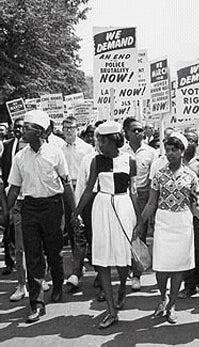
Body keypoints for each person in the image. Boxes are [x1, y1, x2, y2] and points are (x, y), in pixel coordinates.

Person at [6, 110, 76, 323]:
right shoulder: (19, 157)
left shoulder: (55, 153)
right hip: (29, 208)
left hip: (53, 207)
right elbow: (14, 188)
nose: (23, 132)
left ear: (39, 132)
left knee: (54, 251)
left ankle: (57, 283)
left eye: (27, 128)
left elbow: (66, 185)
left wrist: (74, 213)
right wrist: (5, 212)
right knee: (33, 255)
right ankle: (37, 303)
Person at [74, 121, 140, 329]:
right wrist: (75, 212)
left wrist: (138, 219)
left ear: (114, 140)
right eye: (98, 140)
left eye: (102, 140)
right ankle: (111, 311)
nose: (99, 144)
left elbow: (134, 192)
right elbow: (88, 188)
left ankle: (122, 286)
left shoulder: (130, 161)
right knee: (102, 259)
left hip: (123, 206)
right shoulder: (96, 161)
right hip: (101, 207)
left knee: (122, 259)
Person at [137, 132, 199, 324]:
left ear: (182, 151)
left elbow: (195, 205)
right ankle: (162, 297)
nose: (170, 153)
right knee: (161, 267)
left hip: (183, 223)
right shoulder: (159, 176)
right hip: (164, 222)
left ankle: (171, 305)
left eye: (174, 150)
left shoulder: (191, 177)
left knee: (177, 268)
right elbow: (151, 203)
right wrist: (140, 222)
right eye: (167, 150)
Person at [122, 117, 156, 291]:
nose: (138, 133)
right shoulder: (120, 152)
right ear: (126, 133)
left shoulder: (151, 152)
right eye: (134, 130)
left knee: (139, 234)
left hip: (143, 196)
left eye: (140, 130)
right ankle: (126, 267)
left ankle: (137, 274)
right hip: (123, 196)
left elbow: (153, 180)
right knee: (124, 235)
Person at [178, 130, 199, 298]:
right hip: (182, 213)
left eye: (193, 140)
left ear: (197, 145)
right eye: (187, 140)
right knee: (185, 249)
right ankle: (189, 285)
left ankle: (198, 278)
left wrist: (195, 180)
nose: (189, 143)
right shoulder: (175, 161)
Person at [61, 116, 94, 252]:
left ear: (77, 129)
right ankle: (77, 254)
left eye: (72, 128)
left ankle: (91, 252)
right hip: (66, 189)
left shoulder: (86, 148)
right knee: (71, 222)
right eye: (66, 129)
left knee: (87, 220)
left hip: (83, 188)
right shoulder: (60, 149)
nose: (69, 131)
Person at [1, 117, 25, 276]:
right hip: (9, 191)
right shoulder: (6, 145)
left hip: (26, 193)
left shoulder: (28, 147)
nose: (18, 129)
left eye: (21, 127)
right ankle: (10, 263)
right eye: (15, 127)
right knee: (8, 228)